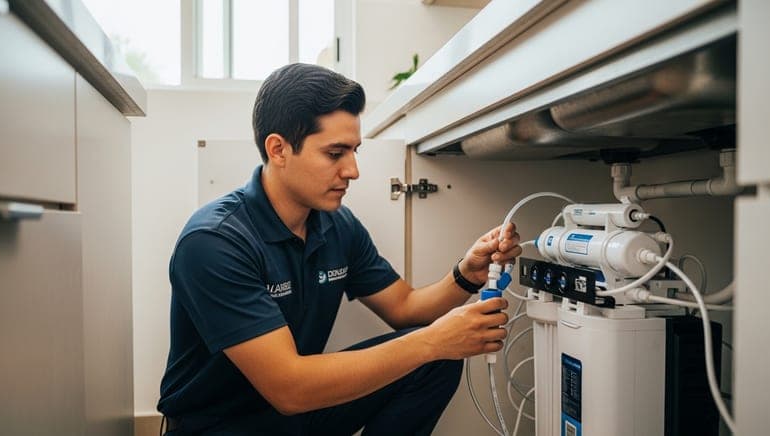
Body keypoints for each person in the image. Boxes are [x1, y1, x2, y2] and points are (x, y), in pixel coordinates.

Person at [157, 63, 521, 435]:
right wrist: (432, 340)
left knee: (435, 360)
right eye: (335, 153)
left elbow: (405, 308)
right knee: (429, 347)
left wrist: (464, 276)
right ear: (278, 149)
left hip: (295, 414)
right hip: (222, 424)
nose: (353, 170)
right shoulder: (215, 241)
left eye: (355, 151)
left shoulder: (336, 225)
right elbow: (289, 388)